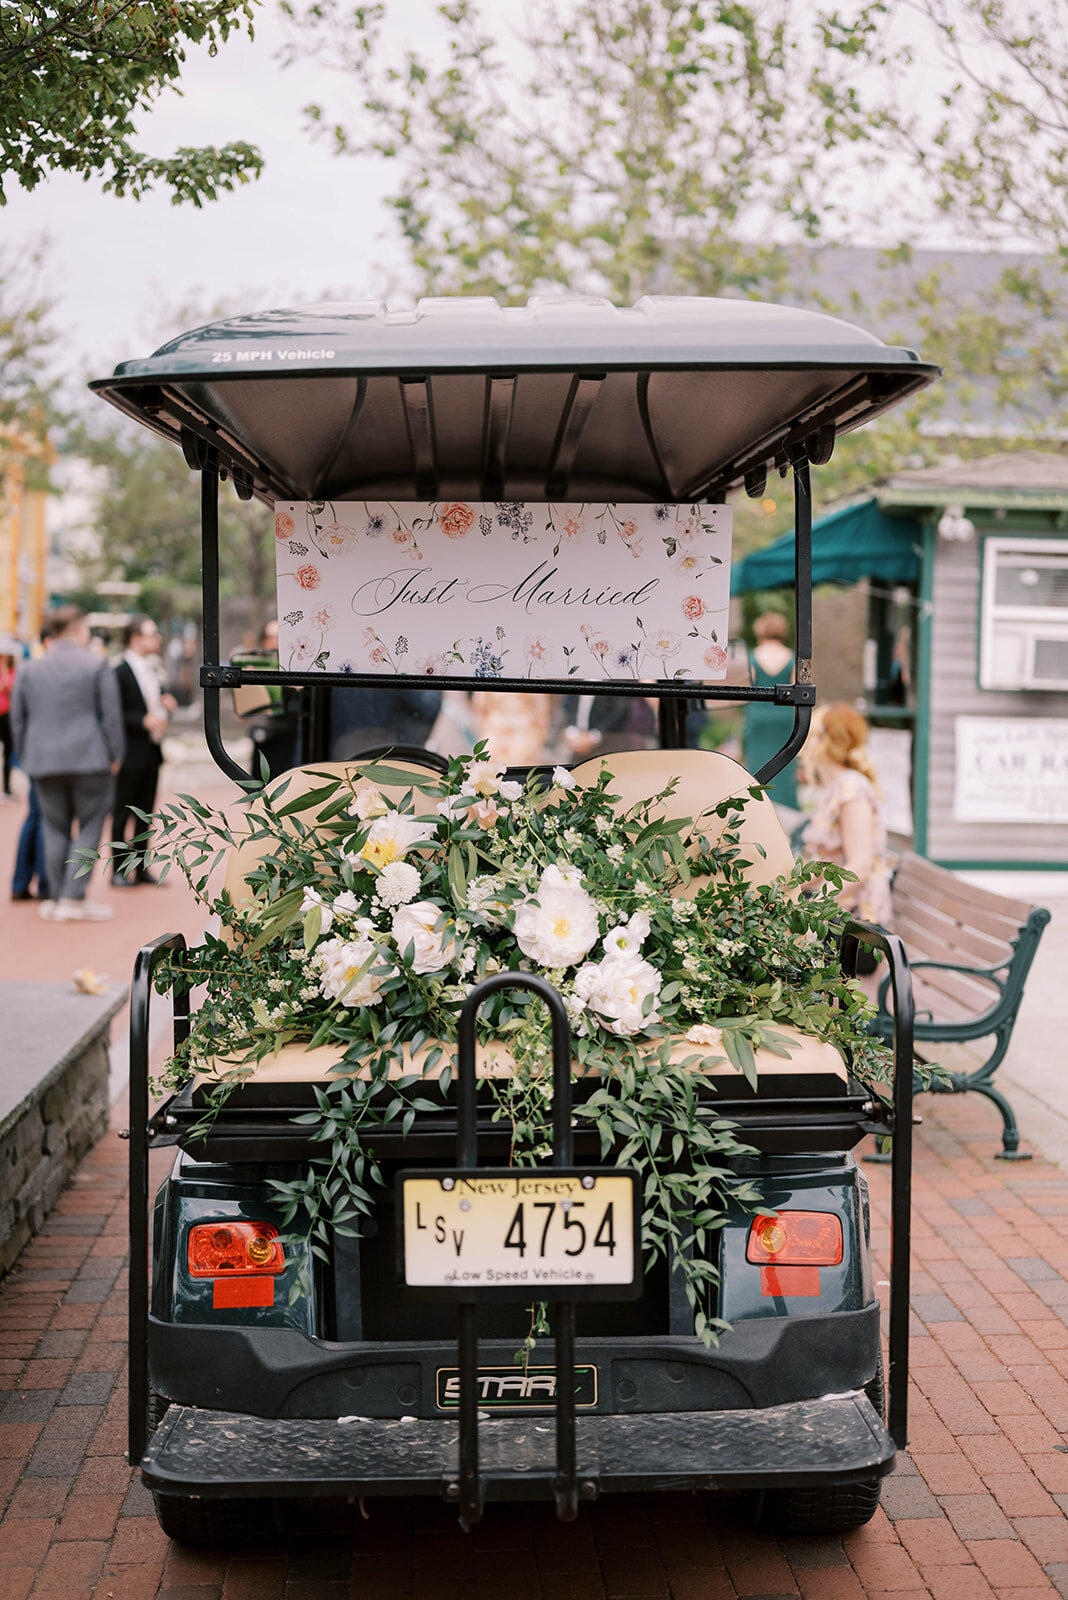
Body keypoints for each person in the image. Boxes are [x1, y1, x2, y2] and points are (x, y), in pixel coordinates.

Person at [10, 605, 124, 921]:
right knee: (90, 826)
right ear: (77, 630)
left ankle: (60, 897)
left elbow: (17, 720)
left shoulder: (30, 669)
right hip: (91, 759)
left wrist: (26, 757)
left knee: (53, 826)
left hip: (43, 762)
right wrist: (116, 755)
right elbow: (110, 717)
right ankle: (73, 897)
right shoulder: (97, 664)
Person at [799, 702, 892, 927]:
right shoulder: (837, 788)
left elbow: (859, 866)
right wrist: (784, 888)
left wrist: (814, 908)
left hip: (860, 925)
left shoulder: (852, 791)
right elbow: (826, 863)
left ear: (819, 742)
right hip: (839, 912)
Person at [111, 615, 178, 884]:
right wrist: (141, 720)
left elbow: (155, 701)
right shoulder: (119, 671)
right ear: (135, 638)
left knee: (146, 812)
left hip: (152, 749)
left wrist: (166, 703)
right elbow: (114, 713)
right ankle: (118, 870)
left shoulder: (153, 667)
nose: (157, 638)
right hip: (129, 750)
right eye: (152, 634)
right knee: (122, 812)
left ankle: (140, 866)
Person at [741, 611, 799, 809]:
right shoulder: (792, 657)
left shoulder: (751, 657)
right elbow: (797, 692)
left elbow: (746, 689)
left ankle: (760, 808)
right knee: (785, 767)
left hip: (758, 717)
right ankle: (787, 811)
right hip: (785, 719)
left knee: (758, 765)